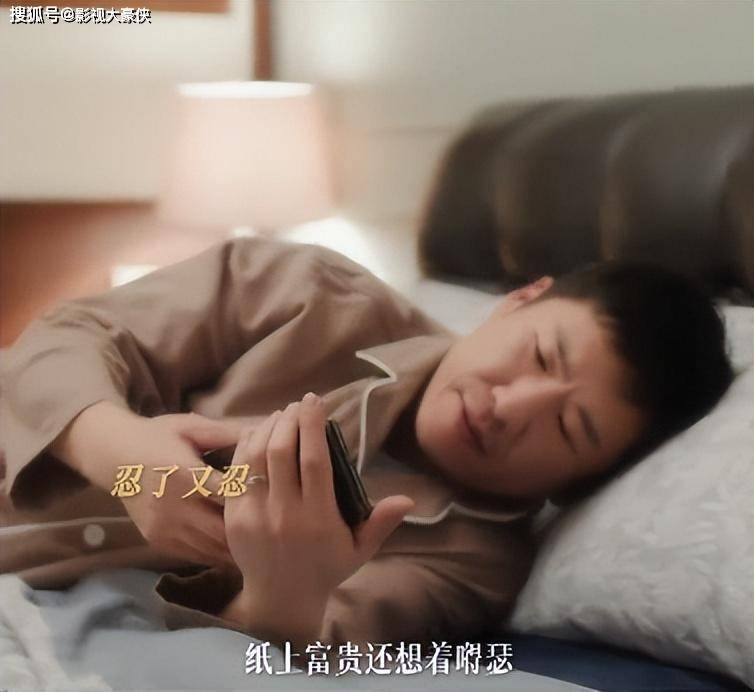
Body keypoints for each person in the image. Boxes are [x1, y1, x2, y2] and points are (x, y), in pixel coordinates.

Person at [0, 236, 733, 659]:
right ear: (520, 299)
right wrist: (122, 455)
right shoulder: (312, 295)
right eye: (539, 355)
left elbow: (300, 650)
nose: (508, 408)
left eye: (569, 430)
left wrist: (284, 591)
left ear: (577, 485)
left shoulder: (474, 565)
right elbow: (71, 336)